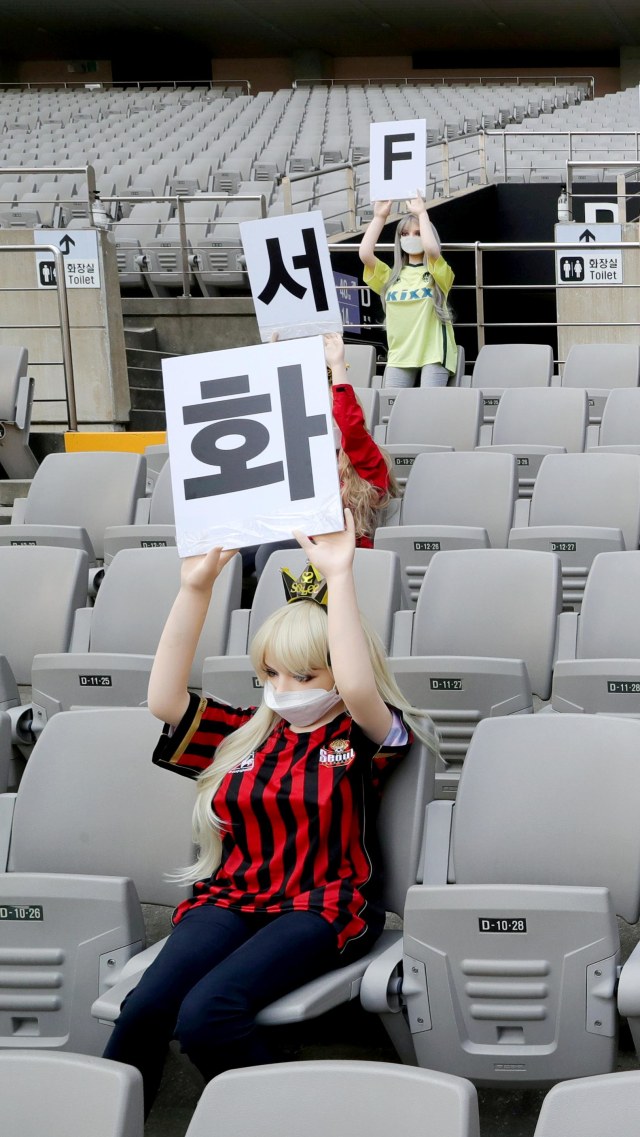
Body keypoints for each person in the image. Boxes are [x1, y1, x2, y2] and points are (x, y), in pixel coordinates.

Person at [103, 511, 437, 1113]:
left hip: (324, 906)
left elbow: (361, 688)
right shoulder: (245, 734)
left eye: (305, 674)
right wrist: (195, 588)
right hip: (230, 898)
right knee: (145, 1008)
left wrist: (340, 577)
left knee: (209, 1014)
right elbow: (163, 699)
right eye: (271, 673)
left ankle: (284, 1118)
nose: (285, 687)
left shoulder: (363, 731)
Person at [253, 333, 398, 575]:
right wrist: (274, 363)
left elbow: (349, 426)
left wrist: (338, 366)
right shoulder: (301, 457)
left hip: (346, 554)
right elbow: (277, 421)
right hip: (303, 547)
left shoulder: (366, 458)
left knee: (269, 551)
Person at [359, 193, 458, 388]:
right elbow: (365, 253)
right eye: (404, 234)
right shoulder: (390, 277)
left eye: (418, 233)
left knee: (429, 408)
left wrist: (422, 213)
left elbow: (432, 250)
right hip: (399, 356)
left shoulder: (438, 273)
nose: (410, 238)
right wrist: (379, 217)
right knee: (392, 410)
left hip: (434, 354)